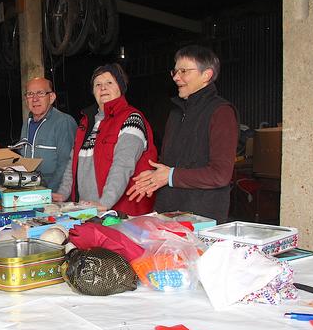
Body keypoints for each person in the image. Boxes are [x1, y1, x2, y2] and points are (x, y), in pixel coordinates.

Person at [127, 45, 238, 222]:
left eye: (184, 71)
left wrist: (170, 175)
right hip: (168, 213)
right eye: (175, 71)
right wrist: (155, 176)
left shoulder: (221, 112)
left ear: (206, 75)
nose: (177, 77)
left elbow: (220, 175)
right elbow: (170, 165)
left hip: (202, 220)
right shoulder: (176, 112)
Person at [53, 64, 158, 215]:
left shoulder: (131, 118)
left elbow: (122, 165)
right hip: (88, 209)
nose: (103, 88)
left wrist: (105, 203)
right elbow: (72, 163)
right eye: (98, 84)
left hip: (121, 212)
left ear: (120, 87)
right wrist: (63, 193)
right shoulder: (86, 122)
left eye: (109, 83)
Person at [17, 77, 76, 192]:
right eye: (30, 94)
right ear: (26, 99)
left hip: (55, 193)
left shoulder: (63, 122)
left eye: (41, 93)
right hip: (30, 190)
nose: (35, 99)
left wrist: (50, 192)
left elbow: (66, 163)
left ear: (52, 97)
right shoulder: (27, 123)